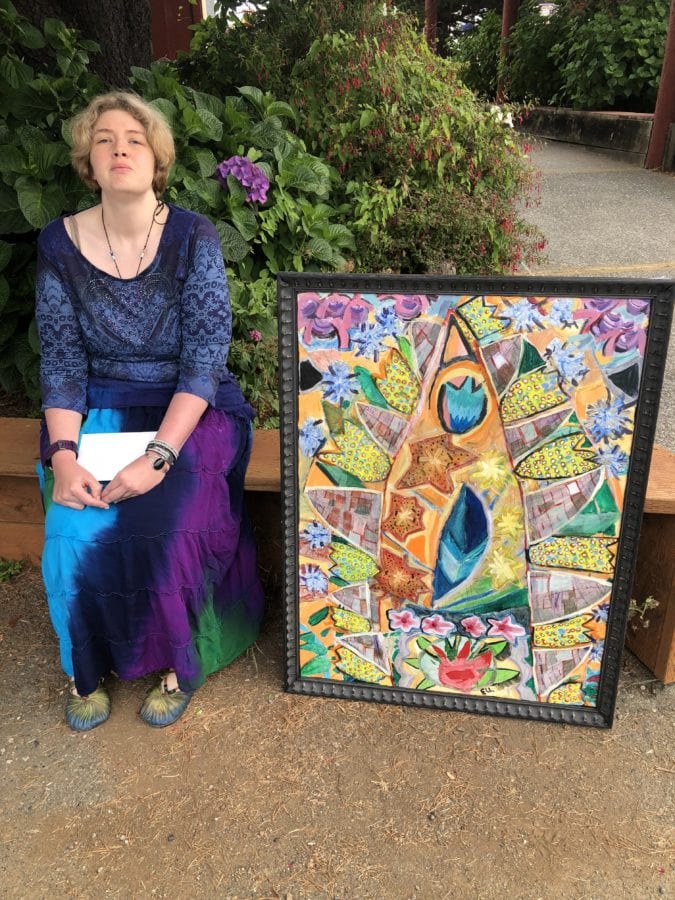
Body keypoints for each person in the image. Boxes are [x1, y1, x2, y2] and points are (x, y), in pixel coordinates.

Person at [35, 91, 265, 731]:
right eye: (104, 139)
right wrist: (63, 455)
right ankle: (88, 661)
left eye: (134, 139)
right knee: (72, 527)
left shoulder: (193, 237)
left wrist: (160, 456)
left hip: (190, 410)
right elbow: (60, 363)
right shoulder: (58, 244)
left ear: (156, 158)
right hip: (97, 407)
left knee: (169, 520)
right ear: (87, 157)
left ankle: (176, 659)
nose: (119, 150)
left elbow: (202, 360)